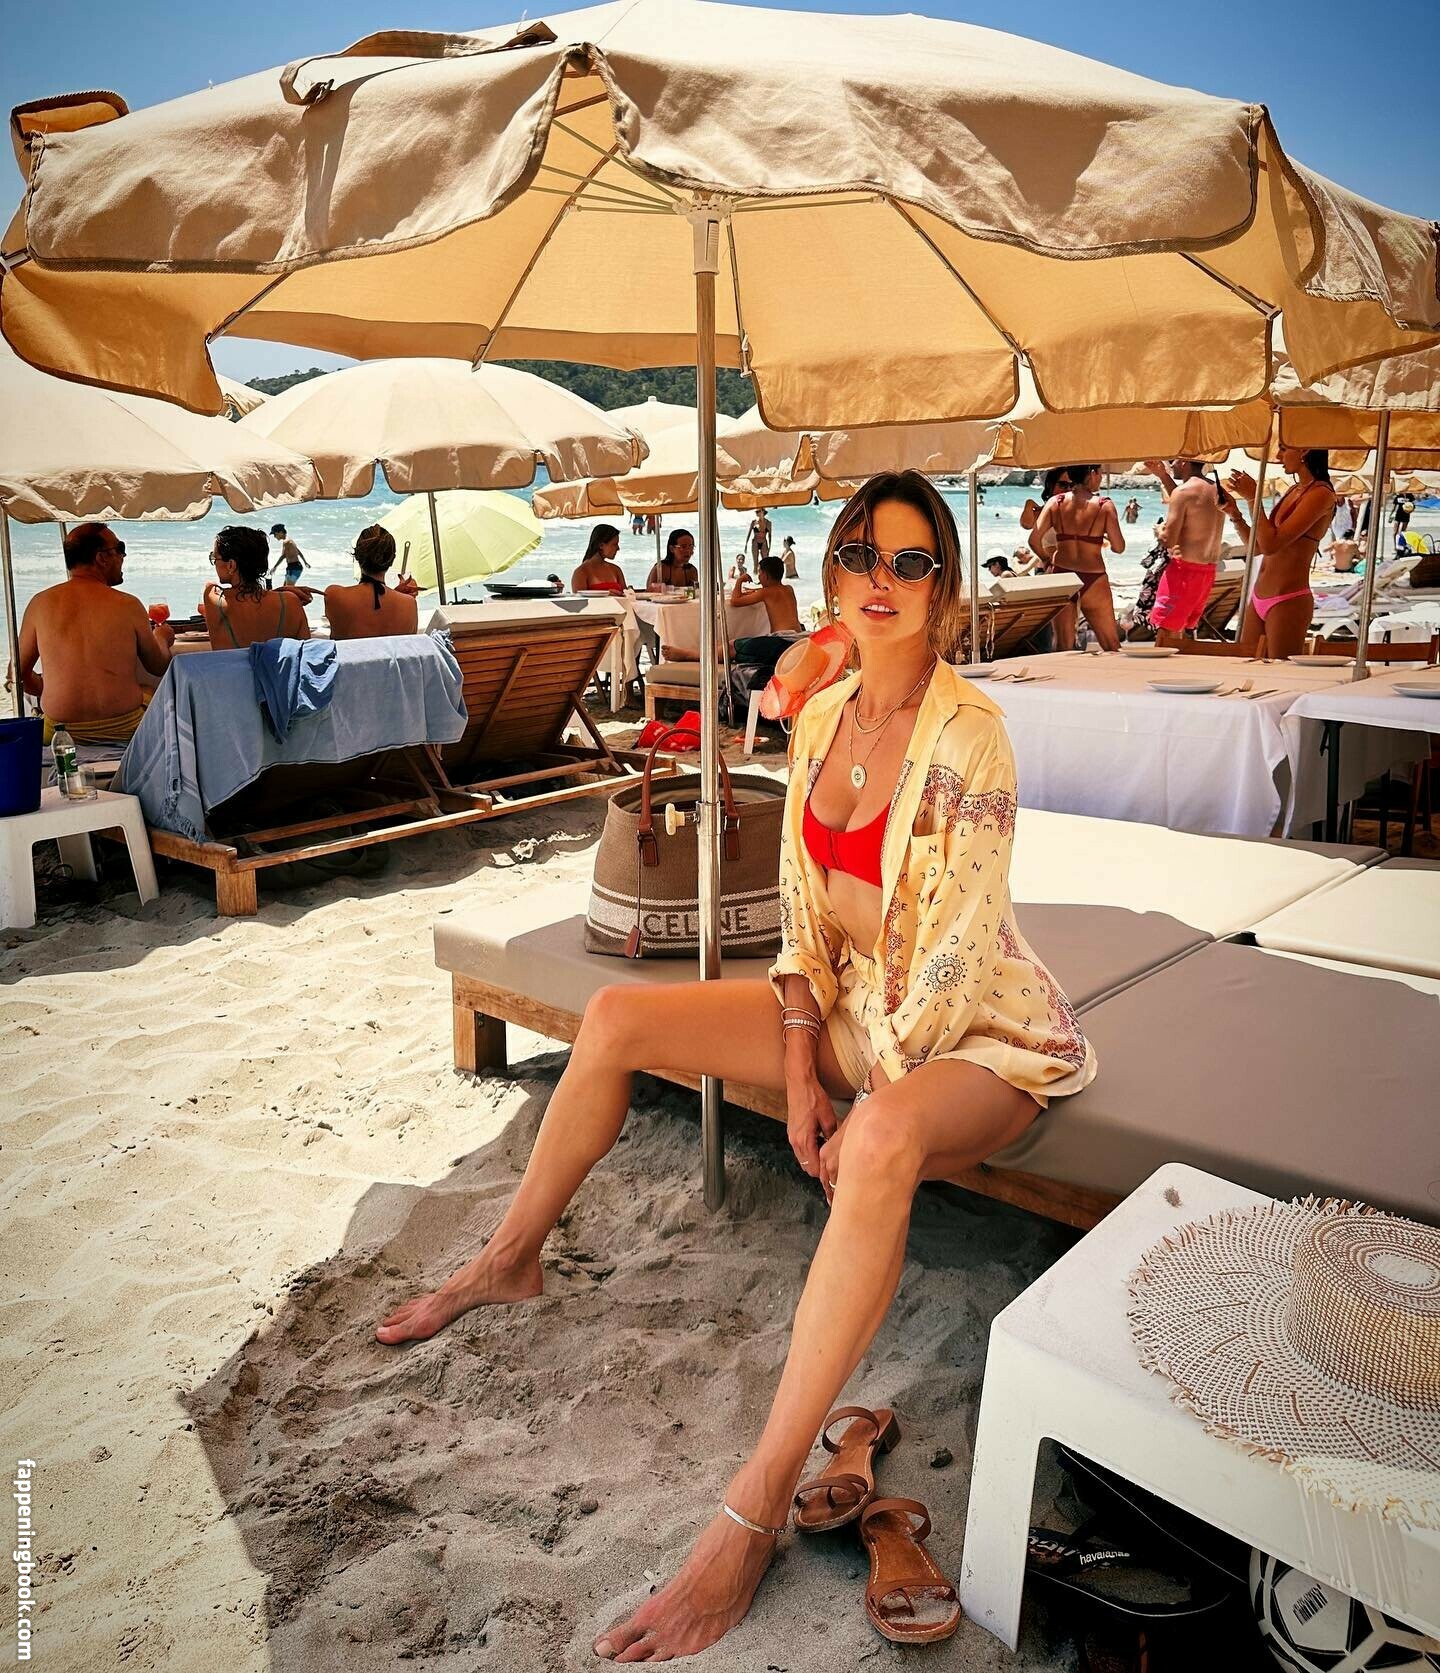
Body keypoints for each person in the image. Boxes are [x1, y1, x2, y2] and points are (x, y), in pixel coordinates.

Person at [373, 470, 1096, 1662]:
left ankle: (753, 1507)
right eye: (861, 552)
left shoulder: (974, 737)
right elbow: (802, 923)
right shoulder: (820, 717)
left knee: (881, 1137)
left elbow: (958, 958)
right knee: (616, 1016)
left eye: (911, 561)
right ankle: (509, 1258)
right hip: (855, 1013)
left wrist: (866, 1097)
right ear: (834, 569)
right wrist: (804, 1059)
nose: (881, 579)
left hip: (980, 1035)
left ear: (944, 587)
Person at [17, 522, 173, 743]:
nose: (123, 556)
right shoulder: (127, 605)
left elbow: (18, 673)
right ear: (101, 558)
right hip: (125, 727)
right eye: (120, 548)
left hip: (61, 734)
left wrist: (48, 689)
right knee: (149, 691)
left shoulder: (40, 604)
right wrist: (162, 638)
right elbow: (157, 666)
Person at [1224, 448, 1337, 660]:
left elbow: (1271, 545)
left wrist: (1254, 498)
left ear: (1304, 450)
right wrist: (1235, 515)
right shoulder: (1295, 490)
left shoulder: (1321, 494)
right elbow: (1258, 547)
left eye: (1283, 449)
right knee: (1246, 665)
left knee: (1281, 672)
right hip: (1259, 595)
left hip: (1288, 599)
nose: (1278, 456)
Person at [1033, 465, 1125, 651]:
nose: (1101, 477)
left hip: (1063, 576)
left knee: (1063, 646)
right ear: (1092, 474)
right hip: (1093, 576)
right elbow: (1119, 547)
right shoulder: (1104, 505)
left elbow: (1033, 540)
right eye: (1100, 473)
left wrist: (1047, 559)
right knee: (1111, 644)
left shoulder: (1055, 502)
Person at [1142, 458, 1225, 639]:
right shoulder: (1217, 490)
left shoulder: (1183, 493)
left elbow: (1168, 540)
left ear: (1183, 462)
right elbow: (1188, 502)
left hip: (1183, 573)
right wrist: (1163, 476)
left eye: (1173, 461)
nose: (1171, 465)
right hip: (1207, 573)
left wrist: (1159, 530)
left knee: (1166, 636)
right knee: (1179, 636)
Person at [202, 526, 311, 650]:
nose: (214, 563)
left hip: (232, 664)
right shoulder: (290, 602)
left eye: (214, 558)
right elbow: (306, 652)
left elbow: (209, 585)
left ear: (231, 565)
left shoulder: (215, 599)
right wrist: (279, 593)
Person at [324, 525, 421, 641]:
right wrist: (397, 595)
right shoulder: (409, 605)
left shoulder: (334, 595)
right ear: (391, 560)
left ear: (357, 557)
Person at [730, 554, 803, 634]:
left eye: (760, 573)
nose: (759, 576)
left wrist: (739, 581)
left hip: (782, 637)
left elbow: (734, 601)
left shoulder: (765, 592)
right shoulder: (789, 588)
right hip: (797, 633)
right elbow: (773, 592)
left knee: (733, 641)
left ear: (765, 575)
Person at [1020, 467, 1071, 571]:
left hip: (1075, 569)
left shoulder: (1076, 511)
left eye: (1072, 485)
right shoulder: (1042, 512)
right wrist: (1029, 503)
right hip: (1056, 570)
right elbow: (1026, 525)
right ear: (1050, 485)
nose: (1068, 489)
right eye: (1063, 485)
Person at [570, 524, 626, 592]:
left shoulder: (616, 570)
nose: (618, 548)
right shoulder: (582, 572)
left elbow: (626, 595)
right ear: (601, 545)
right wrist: (607, 595)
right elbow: (579, 598)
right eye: (614, 544)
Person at [267, 524, 308, 589]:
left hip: (295, 568)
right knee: (284, 588)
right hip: (292, 567)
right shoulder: (289, 541)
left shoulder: (287, 542)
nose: (274, 536)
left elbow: (283, 556)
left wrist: (275, 567)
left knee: (288, 589)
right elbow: (298, 551)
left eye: (275, 534)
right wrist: (305, 562)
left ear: (280, 532)